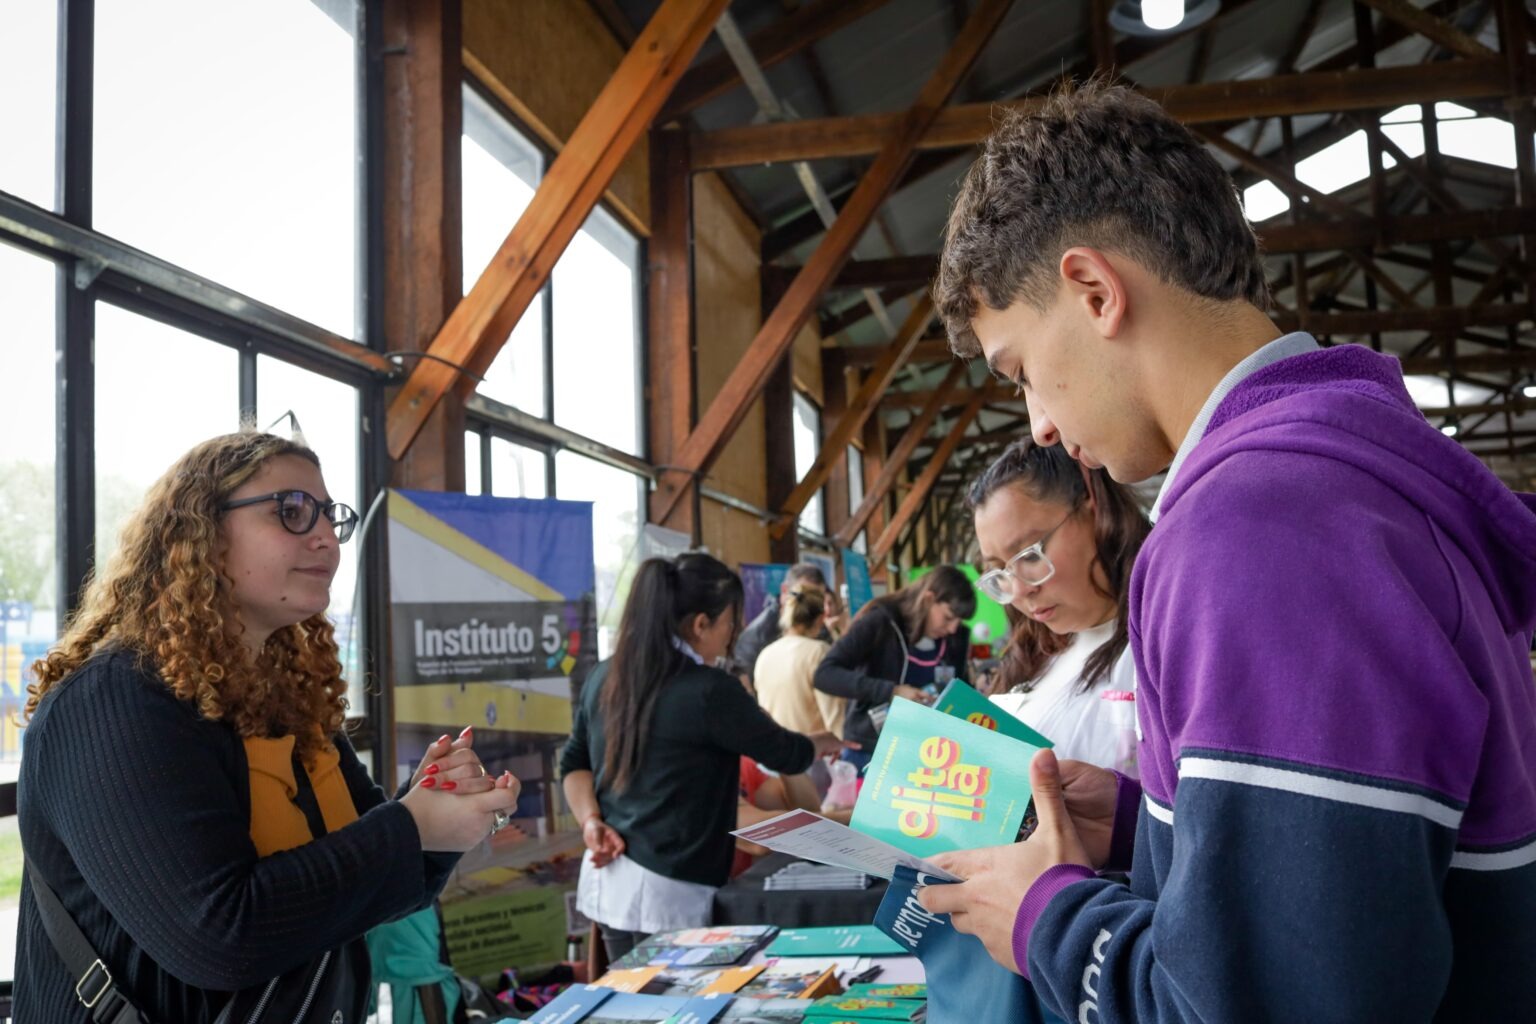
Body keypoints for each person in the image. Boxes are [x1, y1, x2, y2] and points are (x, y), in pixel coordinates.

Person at [917, 81, 1536, 1021]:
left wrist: (1045, 919)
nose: (1039, 423)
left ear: (1093, 290)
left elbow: (1269, 1004)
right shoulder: (1354, 479)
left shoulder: (1255, 529)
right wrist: (1150, 826)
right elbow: (1373, 873)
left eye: (1022, 372)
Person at [16, 431, 520, 1023]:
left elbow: (365, 882)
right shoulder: (113, 702)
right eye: (292, 511)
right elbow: (218, 938)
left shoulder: (284, 696)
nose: (328, 538)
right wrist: (411, 826)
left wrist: (438, 817)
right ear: (199, 533)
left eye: (330, 516)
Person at [560, 553, 847, 962]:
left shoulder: (606, 675)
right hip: (669, 891)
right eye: (730, 623)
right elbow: (786, 752)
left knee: (629, 1004)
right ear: (700, 624)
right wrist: (822, 741)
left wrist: (590, 821)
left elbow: (573, 763)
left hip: (609, 881)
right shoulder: (710, 690)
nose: (732, 635)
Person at [970, 438, 1150, 771]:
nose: (1021, 590)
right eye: (998, 571)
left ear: (1093, 510)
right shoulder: (1035, 654)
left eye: (1030, 555)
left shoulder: (1156, 645)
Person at [814, 565, 975, 770]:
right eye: (948, 617)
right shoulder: (881, 622)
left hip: (929, 754)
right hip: (871, 751)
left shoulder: (956, 638)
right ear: (928, 599)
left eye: (959, 622)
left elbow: (960, 688)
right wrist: (891, 691)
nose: (953, 628)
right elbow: (825, 675)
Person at [753, 582, 847, 740]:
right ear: (820, 619)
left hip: (775, 755)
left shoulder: (765, 654)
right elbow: (834, 716)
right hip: (813, 754)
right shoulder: (818, 652)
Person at [732, 562, 845, 683]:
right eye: (804, 597)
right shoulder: (756, 637)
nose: (811, 607)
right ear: (784, 591)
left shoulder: (821, 628)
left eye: (817, 600)